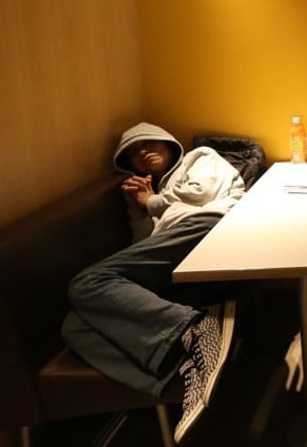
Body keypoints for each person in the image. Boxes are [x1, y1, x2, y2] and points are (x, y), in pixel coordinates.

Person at [62, 122, 246, 443]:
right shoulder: (156, 192)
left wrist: (152, 201)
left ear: (170, 145)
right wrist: (138, 214)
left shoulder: (198, 158)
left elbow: (200, 193)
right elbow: (144, 252)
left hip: (212, 228)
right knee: (74, 325)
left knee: (86, 284)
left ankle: (195, 330)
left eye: (149, 143)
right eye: (133, 153)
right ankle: (181, 373)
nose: (142, 152)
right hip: (176, 254)